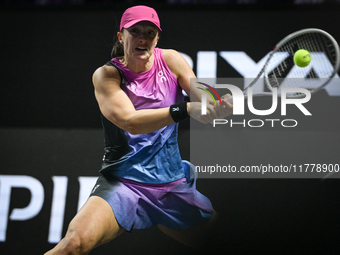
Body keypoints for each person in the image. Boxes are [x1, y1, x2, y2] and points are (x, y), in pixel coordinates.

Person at [45, 5, 233, 255]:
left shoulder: (172, 59)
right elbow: (130, 120)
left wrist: (215, 103)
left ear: (157, 38)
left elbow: (200, 91)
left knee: (232, 244)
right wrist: (187, 109)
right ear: (121, 36)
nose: (143, 38)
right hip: (124, 184)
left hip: (172, 186)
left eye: (150, 33)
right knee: (74, 244)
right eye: (135, 31)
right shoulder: (107, 76)